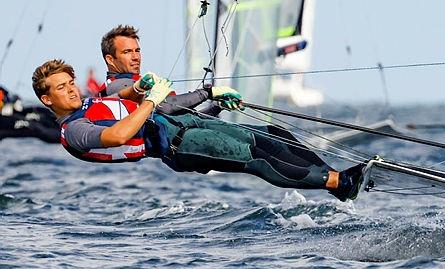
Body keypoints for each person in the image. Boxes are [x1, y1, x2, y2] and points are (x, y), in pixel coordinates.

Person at [31, 59, 364, 201]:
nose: (72, 89)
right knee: (257, 158)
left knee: (271, 135)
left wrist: (208, 94)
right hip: (178, 146)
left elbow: (119, 99)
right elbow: (117, 136)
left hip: (183, 122)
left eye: (71, 82)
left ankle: (334, 179)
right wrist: (151, 101)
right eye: (62, 88)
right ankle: (339, 182)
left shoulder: (87, 104)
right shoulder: (74, 131)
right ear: (47, 99)